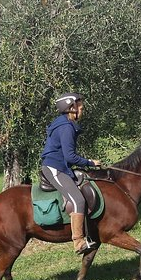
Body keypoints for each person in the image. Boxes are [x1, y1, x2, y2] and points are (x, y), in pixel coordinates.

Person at [40, 93, 102, 254]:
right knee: (78, 201)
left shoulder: (65, 124)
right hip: (55, 168)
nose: (82, 111)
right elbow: (70, 156)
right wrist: (89, 162)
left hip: (61, 166)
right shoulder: (66, 127)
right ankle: (78, 242)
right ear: (71, 109)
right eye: (80, 108)